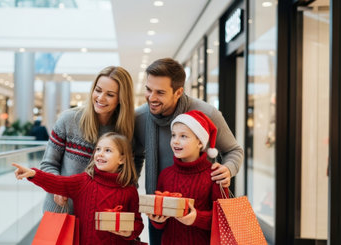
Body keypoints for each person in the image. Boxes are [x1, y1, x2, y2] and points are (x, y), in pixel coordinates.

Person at [133, 58, 243, 244]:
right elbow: (134, 156)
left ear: (178, 92)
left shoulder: (207, 113)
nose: (151, 97)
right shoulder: (140, 118)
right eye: (148, 89)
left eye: (160, 92)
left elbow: (234, 150)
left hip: (200, 216)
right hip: (162, 215)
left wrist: (228, 169)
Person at [12, 132, 144, 245]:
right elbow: (58, 182)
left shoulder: (129, 190)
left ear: (122, 159)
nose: (100, 154)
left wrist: (129, 232)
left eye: (108, 150)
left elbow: (138, 223)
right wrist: (34, 174)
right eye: (98, 149)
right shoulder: (83, 182)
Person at [40, 66, 136, 214]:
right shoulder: (68, 119)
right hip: (62, 211)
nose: (100, 98)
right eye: (98, 90)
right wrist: (58, 188)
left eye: (110, 94)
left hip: (100, 215)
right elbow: (48, 164)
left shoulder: (125, 130)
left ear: (121, 99)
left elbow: (129, 171)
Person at [147, 110, 229, 245]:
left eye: (183, 136)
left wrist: (196, 218)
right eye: (173, 135)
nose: (176, 141)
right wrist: (157, 219)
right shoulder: (165, 175)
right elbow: (160, 223)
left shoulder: (215, 175)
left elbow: (223, 220)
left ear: (200, 143)